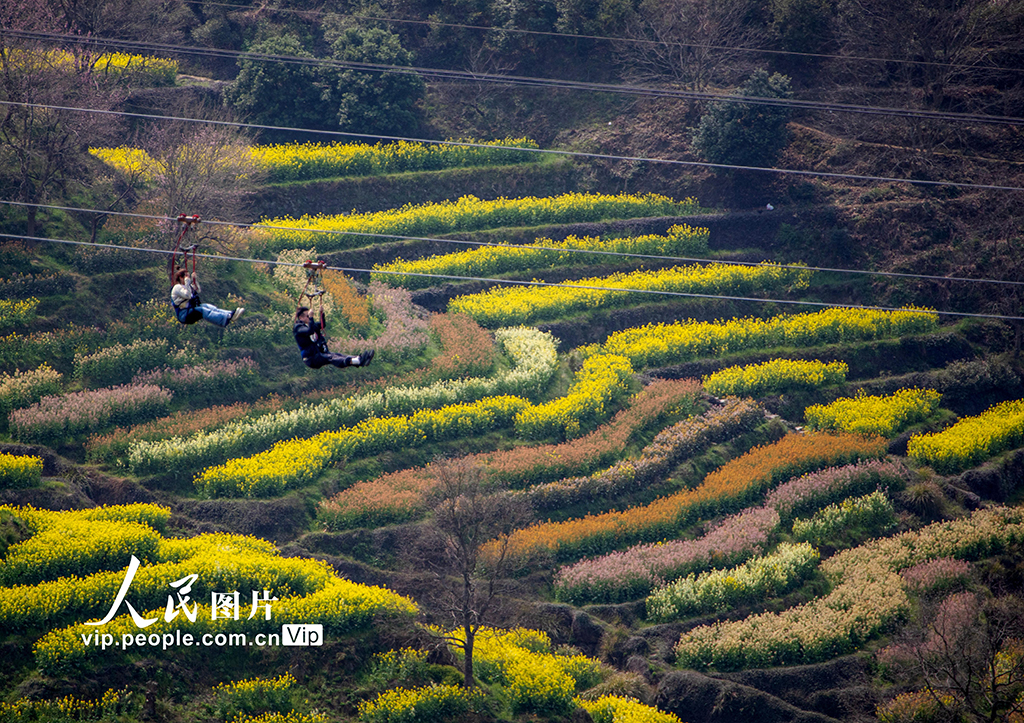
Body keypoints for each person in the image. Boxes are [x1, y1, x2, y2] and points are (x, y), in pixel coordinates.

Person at [293, 306, 374, 370]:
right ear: (301, 317)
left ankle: (359, 360)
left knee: (337, 355)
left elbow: (322, 325)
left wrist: (321, 313)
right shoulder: (298, 328)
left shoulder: (310, 324)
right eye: (307, 316)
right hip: (311, 359)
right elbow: (309, 331)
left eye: (308, 315)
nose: (309, 317)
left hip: (318, 354)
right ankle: (357, 361)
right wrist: (311, 318)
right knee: (331, 358)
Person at [170, 269, 244, 327]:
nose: (188, 279)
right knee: (203, 310)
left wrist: (194, 280)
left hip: (190, 310)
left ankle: (230, 314)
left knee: (208, 306)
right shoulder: (177, 287)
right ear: (180, 277)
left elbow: (197, 290)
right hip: (184, 315)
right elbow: (188, 295)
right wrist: (187, 282)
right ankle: (225, 318)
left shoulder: (187, 286)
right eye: (186, 277)